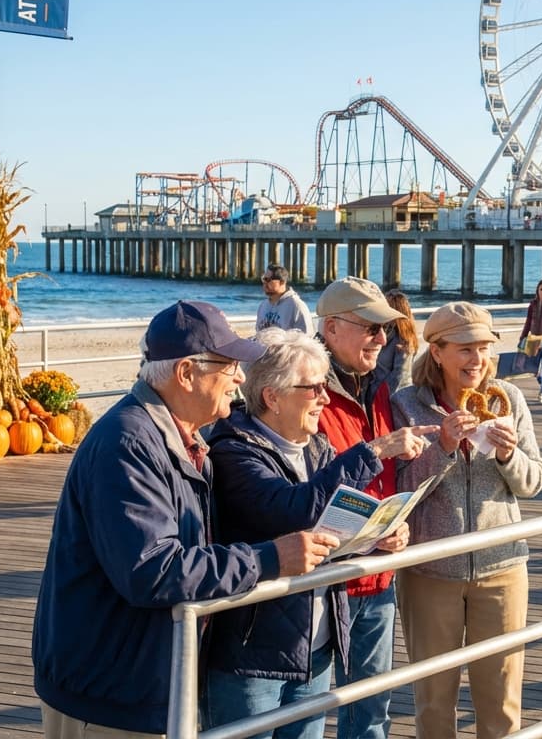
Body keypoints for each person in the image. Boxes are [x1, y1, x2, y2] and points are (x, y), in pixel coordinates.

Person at [32, 300, 339, 737]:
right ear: (186, 373)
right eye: (230, 365)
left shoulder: (184, 438)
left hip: (142, 680)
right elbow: (152, 569)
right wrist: (269, 558)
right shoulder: (129, 442)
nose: (239, 378)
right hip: (107, 691)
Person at [203, 330, 435, 736]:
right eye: (314, 389)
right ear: (273, 397)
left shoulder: (317, 446)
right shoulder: (234, 450)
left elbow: (334, 519)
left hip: (314, 645)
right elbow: (293, 510)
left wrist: (378, 535)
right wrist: (374, 451)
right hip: (254, 652)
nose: (326, 399)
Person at [391, 302, 542, 739]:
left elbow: (534, 481)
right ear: (437, 352)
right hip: (430, 571)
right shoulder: (407, 406)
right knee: (434, 705)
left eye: (483, 348)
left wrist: (507, 454)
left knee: (501, 706)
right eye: (464, 348)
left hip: (503, 568)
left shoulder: (508, 399)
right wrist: (441, 446)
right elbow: (399, 489)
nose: (477, 360)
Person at [315, 276, 417, 739]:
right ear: (331, 328)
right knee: (308, 714)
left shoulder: (379, 388)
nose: (382, 339)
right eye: (371, 328)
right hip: (319, 581)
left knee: (373, 709)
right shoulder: (306, 388)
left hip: (376, 576)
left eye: (385, 330)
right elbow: (300, 487)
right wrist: (380, 448)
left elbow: (385, 481)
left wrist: (397, 525)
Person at [369, 289, 419, 397]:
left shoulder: (404, 341)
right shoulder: (381, 333)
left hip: (389, 398)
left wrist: (379, 397)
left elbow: (400, 377)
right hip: (373, 393)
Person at [257, 264, 315, 335]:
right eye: (263, 279)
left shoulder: (296, 305)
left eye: (268, 280)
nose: (265, 283)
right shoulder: (263, 306)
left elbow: (307, 336)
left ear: (282, 282)